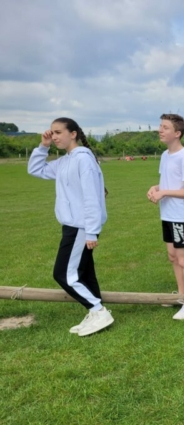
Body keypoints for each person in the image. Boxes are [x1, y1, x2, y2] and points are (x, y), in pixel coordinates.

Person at [27, 117, 113, 337]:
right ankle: (95, 312)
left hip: (80, 227)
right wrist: (43, 146)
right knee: (84, 272)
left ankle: (98, 311)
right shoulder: (65, 160)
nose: (54, 136)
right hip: (72, 225)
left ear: (73, 134)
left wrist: (91, 231)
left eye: (58, 132)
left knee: (64, 274)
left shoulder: (83, 159)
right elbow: (35, 169)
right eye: (52, 132)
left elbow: (91, 197)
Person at [147, 114, 184, 321]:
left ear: (177, 133)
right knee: (172, 256)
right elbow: (168, 182)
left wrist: (165, 193)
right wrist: (155, 188)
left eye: (165, 127)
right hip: (167, 214)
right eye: (160, 126)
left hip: (180, 216)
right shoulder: (165, 155)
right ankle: (181, 294)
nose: (160, 130)